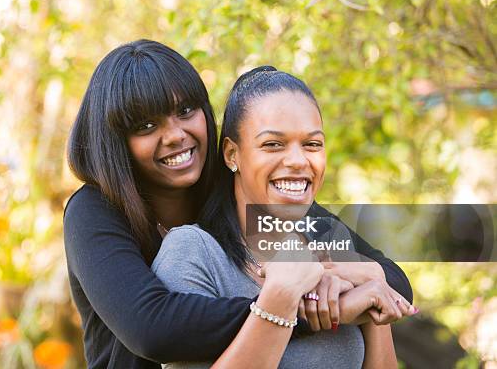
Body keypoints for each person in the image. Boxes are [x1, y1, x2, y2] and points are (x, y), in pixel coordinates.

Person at [64, 41, 413, 368]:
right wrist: (300, 305)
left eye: (185, 111)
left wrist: (345, 276)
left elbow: (391, 281)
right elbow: (152, 329)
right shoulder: (94, 212)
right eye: (147, 125)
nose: (174, 135)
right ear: (117, 142)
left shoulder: (241, 190)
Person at [151, 66, 416, 368]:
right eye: (273, 144)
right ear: (231, 154)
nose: (297, 160)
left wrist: (370, 286)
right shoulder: (192, 252)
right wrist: (283, 294)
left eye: (312, 144)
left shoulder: (331, 243)